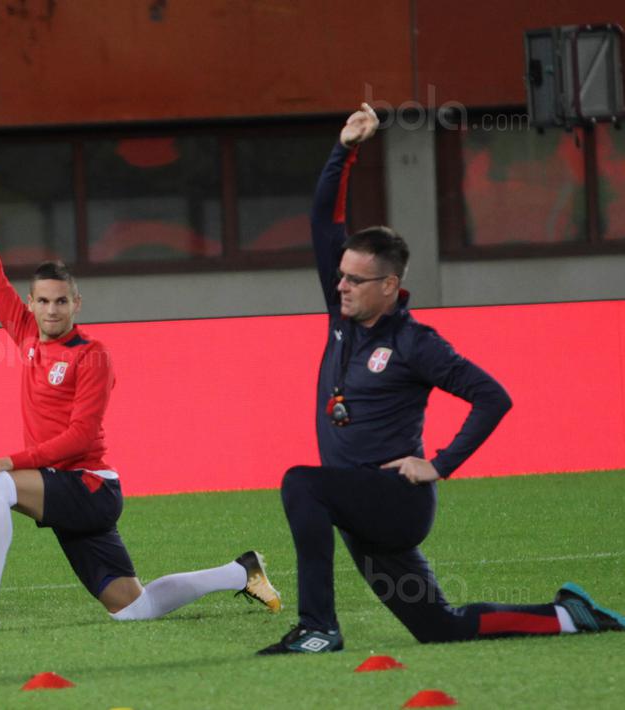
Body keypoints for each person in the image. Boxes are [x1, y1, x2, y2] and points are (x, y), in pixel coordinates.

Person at [258, 103, 625, 654]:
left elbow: (492, 397)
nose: (341, 286)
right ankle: (569, 616)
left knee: (300, 483)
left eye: (355, 280)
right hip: (357, 505)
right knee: (439, 627)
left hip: (394, 502)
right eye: (341, 276)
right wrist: (345, 150)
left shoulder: (416, 343)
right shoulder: (343, 315)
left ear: (389, 285)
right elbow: (321, 222)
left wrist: (439, 464)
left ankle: (317, 628)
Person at [0, 147, 281, 636]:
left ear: (77, 302)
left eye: (61, 301)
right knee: (133, 608)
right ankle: (241, 572)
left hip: (89, 487)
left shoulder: (92, 355)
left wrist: (11, 459)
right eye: (43, 301)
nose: (52, 310)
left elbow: (79, 437)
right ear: (30, 304)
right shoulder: (27, 334)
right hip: (64, 488)